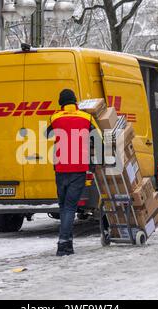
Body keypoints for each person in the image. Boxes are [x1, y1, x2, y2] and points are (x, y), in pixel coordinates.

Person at [47, 89, 102, 256]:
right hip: (78, 169)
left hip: (61, 169)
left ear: (61, 102)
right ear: (75, 102)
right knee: (70, 207)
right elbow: (98, 138)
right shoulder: (86, 118)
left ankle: (67, 243)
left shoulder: (55, 118)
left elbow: (47, 134)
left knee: (64, 206)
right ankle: (63, 244)